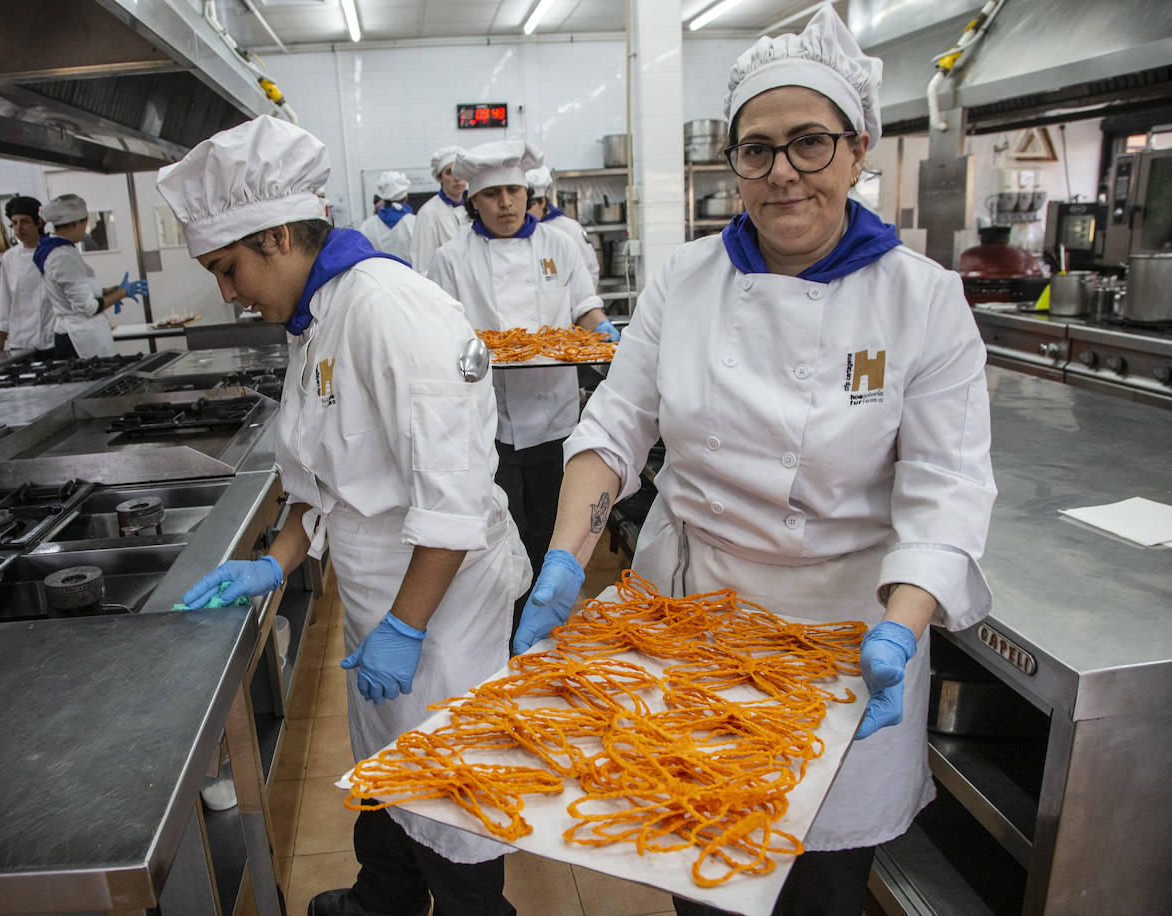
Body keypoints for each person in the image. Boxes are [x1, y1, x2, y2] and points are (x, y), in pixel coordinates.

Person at [514, 8, 996, 915]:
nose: (782, 172)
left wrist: (900, 628)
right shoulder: (685, 281)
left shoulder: (923, 299)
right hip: (694, 622)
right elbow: (614, 429)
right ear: (733, 163)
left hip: (848, 635)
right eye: (757, 148)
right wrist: (564, 559)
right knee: (701, 868)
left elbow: (947, 489)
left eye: (809, 142)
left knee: (820, 882)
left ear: (857, 151)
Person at [157, 115, 530, 916]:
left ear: (278, 236)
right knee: (389, 764)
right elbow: (323, 482)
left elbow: (454, 498)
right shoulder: (316, 317)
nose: (226, 293)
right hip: (380, 595)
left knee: (454, 795)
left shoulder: (390, 311)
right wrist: (276, 560)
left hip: (439, 609)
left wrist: (407, 625)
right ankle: (385, 898)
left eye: (227, 269)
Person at [427, 139, 618, 638]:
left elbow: (584, 309)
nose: (506, 204)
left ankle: (546, 634)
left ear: (527, 193)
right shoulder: (451, 258)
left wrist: (603, 330)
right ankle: (504, 634)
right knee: (500, 536)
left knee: (551, 532)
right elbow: (441, 333)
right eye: (493, 195)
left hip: (556, 418)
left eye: (514, 191)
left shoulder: (560, 245)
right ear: (475, 200)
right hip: (488, 423)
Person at [36, 193, 146, 359]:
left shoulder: (56, 250)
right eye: (85, 223)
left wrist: (108, 291)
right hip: (79, 339)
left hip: (75, 332)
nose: (85, 229)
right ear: (76, 223)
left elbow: (71, 291)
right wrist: (122, 293)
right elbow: (88, 307)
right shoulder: (63, 256)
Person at [0, 196, 54, 357]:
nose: (18, 228)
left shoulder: (54, 252)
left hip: (51, 339)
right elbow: (5, 299)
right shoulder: (9, 257)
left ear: (39, 222)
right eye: (14, 223)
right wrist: (0, 338)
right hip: (21, 341)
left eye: (24, 221)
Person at [525, 166, 601, 286]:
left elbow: (590, 271)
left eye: (529, 206)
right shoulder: (515, 233)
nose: (524, 212)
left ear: (543, 201)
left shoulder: (568, 228)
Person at [409, 146, 469, 274]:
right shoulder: (428, 213)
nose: (457, 178)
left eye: (460, 171)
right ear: (439, 177)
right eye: (449, 172)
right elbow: (422, 266)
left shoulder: (472, 209)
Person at [358, 170, 416, 264]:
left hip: (377, 273)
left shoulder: (366, 226)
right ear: (406, 198)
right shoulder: (415, 223)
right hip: (410, 273)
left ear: (382, 199)